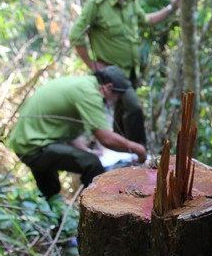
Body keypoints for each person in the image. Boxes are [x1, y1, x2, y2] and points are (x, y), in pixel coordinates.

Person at [69, 0, 181, 147]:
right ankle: (141, 154)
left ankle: (124, 160)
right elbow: (76, 36)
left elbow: (147, 20)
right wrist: (94, 66)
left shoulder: (130, 2)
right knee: (134, 108)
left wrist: (171, 7)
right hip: (111, 74)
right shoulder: (97, 3)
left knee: (121, 117)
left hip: (131, 72)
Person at [8, 66, 148, 200]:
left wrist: (86, 150)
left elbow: (67, 128)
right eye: (117, 96)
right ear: (109, 87)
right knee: (92, 165)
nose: (116, 100)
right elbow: (106, 139)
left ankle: (55, 219)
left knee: (51, 191)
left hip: (29, 142)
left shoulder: (83, 84)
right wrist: (139, 150)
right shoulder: (89, 94)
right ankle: (98, 211)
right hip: (34, 146)